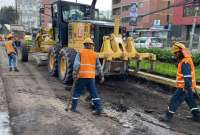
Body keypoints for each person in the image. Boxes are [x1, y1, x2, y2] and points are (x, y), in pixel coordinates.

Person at [160, 42, 200, 122]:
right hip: (188, 86)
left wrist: (186, 87)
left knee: (174, 100)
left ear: (180, 52)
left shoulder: (185, 62)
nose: (175, 54)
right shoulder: (185, 60)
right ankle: (197, 116)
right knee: (190, 101)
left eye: (175, 53)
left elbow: (187, 76)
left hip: (184, 87)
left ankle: (168, 116)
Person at [70, 37, 104, 115]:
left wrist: (74, 73)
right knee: (94, 93)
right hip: (91, 77)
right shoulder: (95, 54)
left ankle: (73, 108)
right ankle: (98, 109)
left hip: (82, 76)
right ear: (91, 45)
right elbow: (99, 67)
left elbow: (76, 64)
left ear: (84, 45)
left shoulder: (80, 52)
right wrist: (101, 76)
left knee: (77, 92)